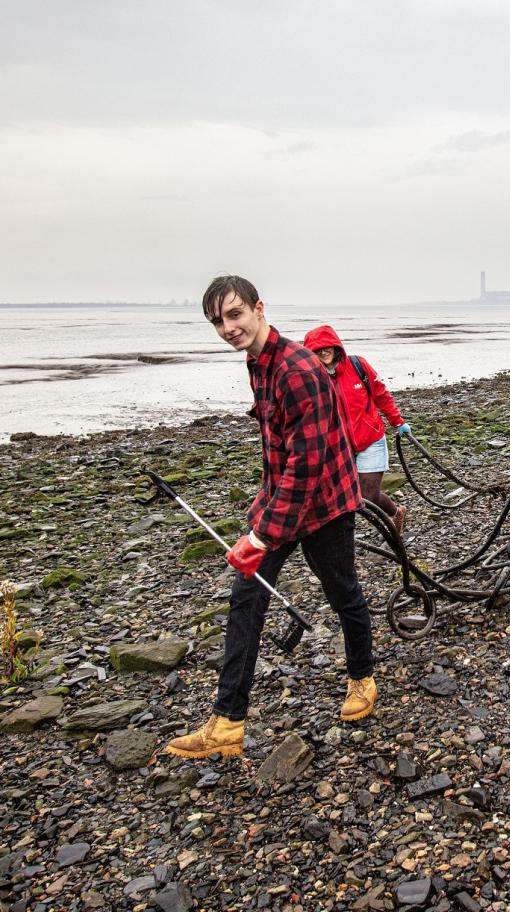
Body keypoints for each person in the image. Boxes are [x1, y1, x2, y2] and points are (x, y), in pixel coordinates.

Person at [166, 276, 377, 760]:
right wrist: (261, 513)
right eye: (217, 321)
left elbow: (307, 465)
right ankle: (227, 723)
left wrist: (261, 535)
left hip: (326, 503)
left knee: (342, 591)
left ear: (258, 309)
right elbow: (279, 451)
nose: (228, 328)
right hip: (284, 498)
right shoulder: (257, 361)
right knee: (246, 597)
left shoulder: (298, 369)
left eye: (235, 314)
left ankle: (362, 677)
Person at [303, 325, 411, 533]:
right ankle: (344, 539)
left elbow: (381, 395)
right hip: (338, 447)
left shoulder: (358, 366)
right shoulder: (312, 378)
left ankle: (396, 512)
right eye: (317, 349)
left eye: (327, 347)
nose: (323, 352)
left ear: (336, 347)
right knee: (341, 497)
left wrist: (397, 422)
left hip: (370, 440)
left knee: (367, 496)